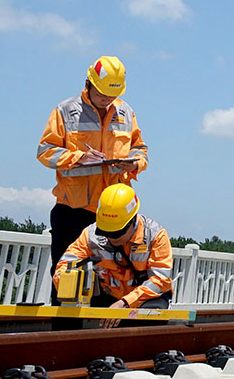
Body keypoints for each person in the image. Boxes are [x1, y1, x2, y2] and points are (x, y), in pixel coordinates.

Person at [37, 56, 148, 306]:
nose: (107, 100)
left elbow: (141, 149)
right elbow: (45, 151)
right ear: (89, 84)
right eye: (102, 94)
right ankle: (63, 339)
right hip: (72, 210)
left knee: (113, 279)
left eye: (111, 95)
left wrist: (134, 162)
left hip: (113, 213)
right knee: (67, 278)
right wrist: (79, 157)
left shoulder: (126, 112)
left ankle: (101, 339)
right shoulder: (66, 111)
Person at [53, 184, 172, 328]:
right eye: (106, 232)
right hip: (108, 294)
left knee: (151, 313)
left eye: (117, 232)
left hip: (143, 298)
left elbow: (161, 280)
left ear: (132, 220)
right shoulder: (90, 235)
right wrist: (68, 285)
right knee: (68, 307)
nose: (112, 238)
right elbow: (65, 265)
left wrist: (125, 303)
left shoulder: (154, 235)